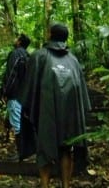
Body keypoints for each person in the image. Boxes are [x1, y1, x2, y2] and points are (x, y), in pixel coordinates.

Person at [19, 23, 91, 188]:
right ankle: (65, 185)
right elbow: (81, 93)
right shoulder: (73, 60)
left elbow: (29, 87)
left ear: (50, 35)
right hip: (69, 115)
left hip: (46, 113)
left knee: (44, 148)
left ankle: (45, 185)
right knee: (66, 149)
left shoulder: (39, 56)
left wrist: (28, 109)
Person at [1, 33, 31, 159]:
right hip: (25, 95)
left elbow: (12, 74)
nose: (14, 39)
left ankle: (21, 153)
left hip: (15, 95)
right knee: (22, 122)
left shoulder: (15, 54)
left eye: (16, 38)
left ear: (19, 42)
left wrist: (5, 92)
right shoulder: (28, 55)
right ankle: (26, 151)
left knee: (17, 124)